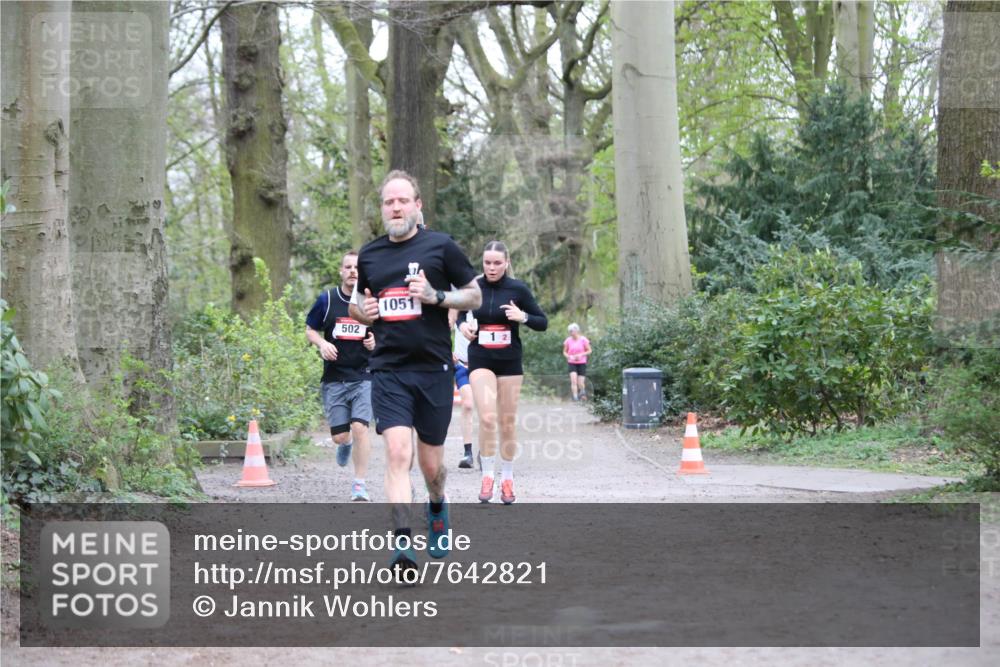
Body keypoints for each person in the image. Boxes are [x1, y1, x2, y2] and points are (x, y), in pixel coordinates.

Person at [349, 169, 481, 574]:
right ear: (382, 208)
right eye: (389, 201)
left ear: (417, 205)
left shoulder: (441, 248)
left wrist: (436, 296)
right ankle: (402, 545)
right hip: (388, 370)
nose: (395, 207)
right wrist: (364, 313)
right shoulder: (370, 255)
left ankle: (437, 506)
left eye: (403, 200)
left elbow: (474, 293)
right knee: (397, 453)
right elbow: (357, 304)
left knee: (430, 467)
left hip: (434, 371)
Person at [459, 241, 547, 504]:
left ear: (506, 263)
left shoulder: (518, 288)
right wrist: (464, 327)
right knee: (487, 418)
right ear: (482, 263)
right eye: (488, 262)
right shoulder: (474, 287)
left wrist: (523, 317)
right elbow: (462, 315)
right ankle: (488, 476)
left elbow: (542, 322)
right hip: (480, 358)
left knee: (506, 421)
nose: (492, 267)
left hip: (509, 362)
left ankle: (507, 479)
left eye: (497, 263)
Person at [305, 251, 376, 501]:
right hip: (335, 377)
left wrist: (375, 342)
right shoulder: (327, 299)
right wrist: (321, 344)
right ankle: (344, 445)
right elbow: (310, 329)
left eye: (357, 267)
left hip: (364, 375)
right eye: (348, 267)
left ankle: (359, 484)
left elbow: (386, 332)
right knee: (341, 436)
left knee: (360, 427)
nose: (353, 271)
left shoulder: (369, 301)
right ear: (341, 271)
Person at [449, 308, 476, 469]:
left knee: (489, 411)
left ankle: (487, 450)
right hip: (461, 366)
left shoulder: (485, 309)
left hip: (483, 367)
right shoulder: (456, 312)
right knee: (467, 405)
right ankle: (468, 453)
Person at [563, 323, 592, 401]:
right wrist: (569, 356)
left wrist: (581, 355)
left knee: (580, 383)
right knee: (573, 380)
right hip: (571, 362)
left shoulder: (583, 339)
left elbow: (589, 351)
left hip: (582, 363)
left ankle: (582, 393)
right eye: (569, 331)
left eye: (572, 331)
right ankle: (575, 398)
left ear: (576, 330)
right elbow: (564, 352)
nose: (571, 333)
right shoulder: (568, 340)